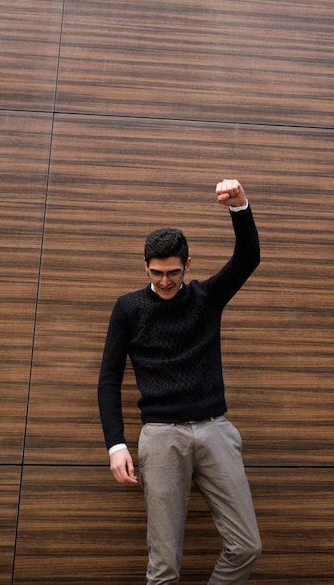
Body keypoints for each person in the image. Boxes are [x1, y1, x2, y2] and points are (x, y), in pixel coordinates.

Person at [98, 178, 262, 585]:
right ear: (145, 266)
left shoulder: (207, 298)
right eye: (156, 273)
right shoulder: (129, 308)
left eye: (173, 272)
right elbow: (109, 379)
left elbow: (248, 258)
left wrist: (239, 207)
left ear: (188, 266)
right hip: (160, 436)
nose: (165, 281)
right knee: (164, 564)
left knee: (246, 546)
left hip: (215, 431)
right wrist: (116, 444)